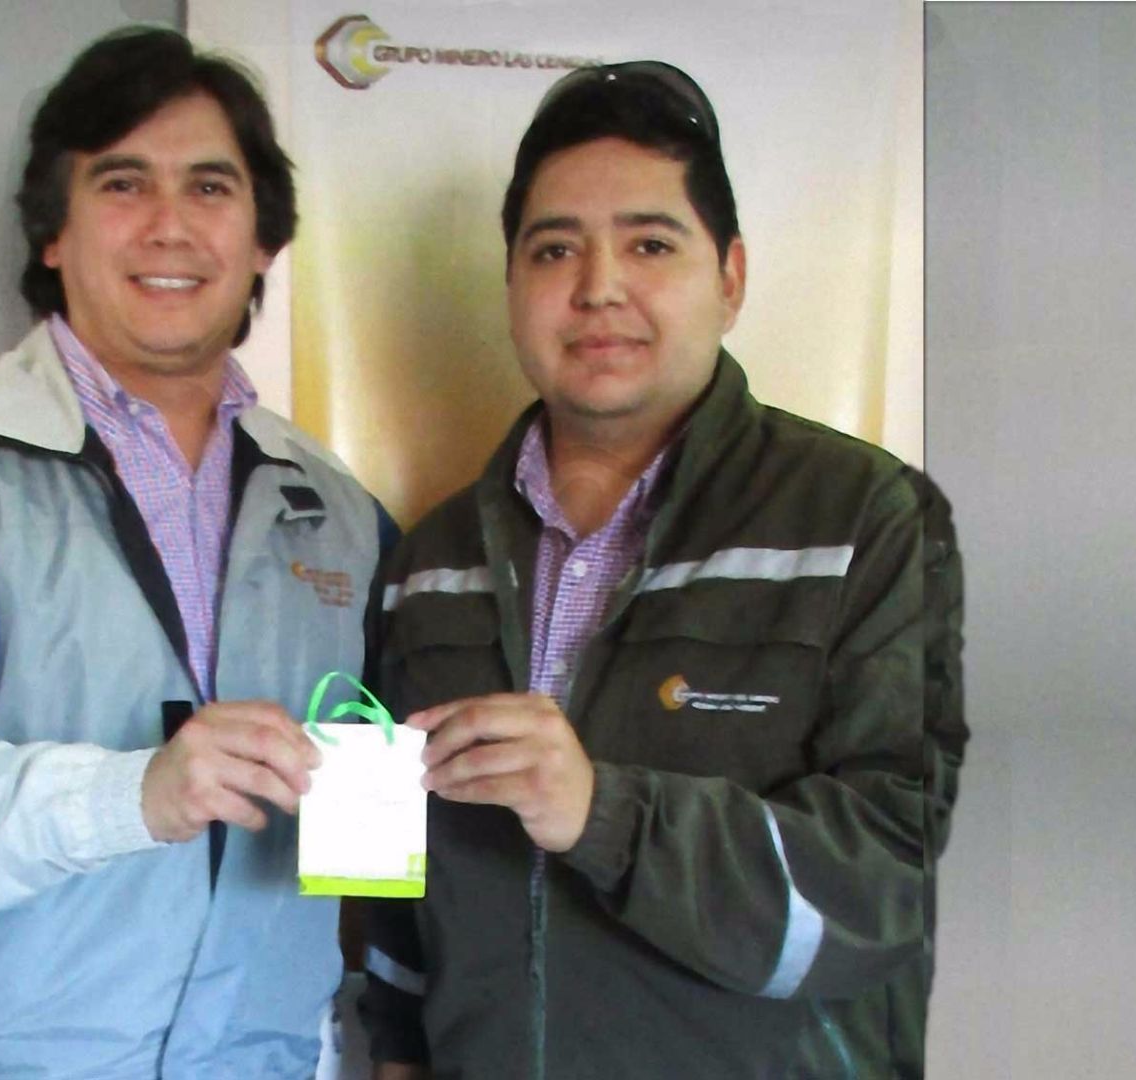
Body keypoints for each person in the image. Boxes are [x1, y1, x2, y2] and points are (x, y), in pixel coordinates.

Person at [359, 61, 966, 1078]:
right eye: (554, 249)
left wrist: (600, 812)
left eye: (649, 243)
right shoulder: (430, 560)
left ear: (730, 278)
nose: (598, 287)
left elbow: (885, 885)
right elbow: (391, 885)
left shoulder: (864, 518)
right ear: (511, 287)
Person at [0, 26, 389, 1079]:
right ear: (53, 233)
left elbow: (362, 844)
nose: (170, 225)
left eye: (210, 186)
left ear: (263, 240)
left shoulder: (342, 512)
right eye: (123, 183)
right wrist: (134, 796)